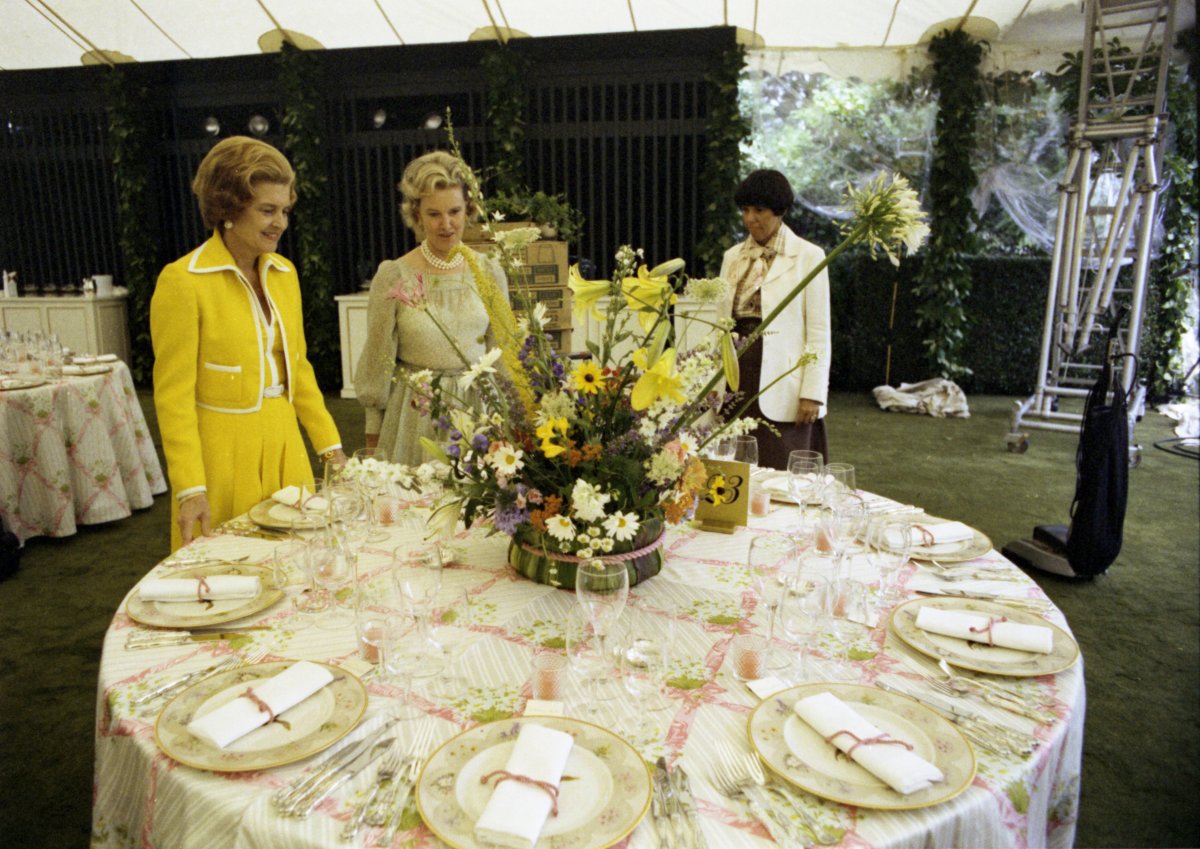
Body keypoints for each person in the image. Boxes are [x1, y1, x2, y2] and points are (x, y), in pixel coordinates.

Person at [151, 136, 345, 551]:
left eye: (285, 210)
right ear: (229, 207)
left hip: (284, 444)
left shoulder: (284, 272)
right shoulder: (183, 281)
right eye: (267, 210)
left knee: (296, 562)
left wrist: (331, 450)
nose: (281, 223)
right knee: (227, 566)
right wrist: (190, 487)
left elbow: (299, 366)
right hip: (221, 456)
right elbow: (173, 398)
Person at [354, 150, 508, 465]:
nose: (446, 224)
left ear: (469, 209)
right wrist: (373, 438)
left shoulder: (490, 271)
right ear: (417, 214)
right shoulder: (393, 275)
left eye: (454, 211)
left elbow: (502, 351)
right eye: (434, 214)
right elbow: (379, 360)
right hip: (415, 418)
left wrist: (513, 418)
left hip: (479, 413)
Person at [718, 169, 831, 468]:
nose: (750, 219)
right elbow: (720, 324)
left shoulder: (809, 256)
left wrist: (812, 393)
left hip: (782, 382)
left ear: (780, 210)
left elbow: (819, 331)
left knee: (782, 469)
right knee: (735, 471)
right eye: (745, 210)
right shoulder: (732, 257)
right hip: (735, 379)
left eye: (759, 210)